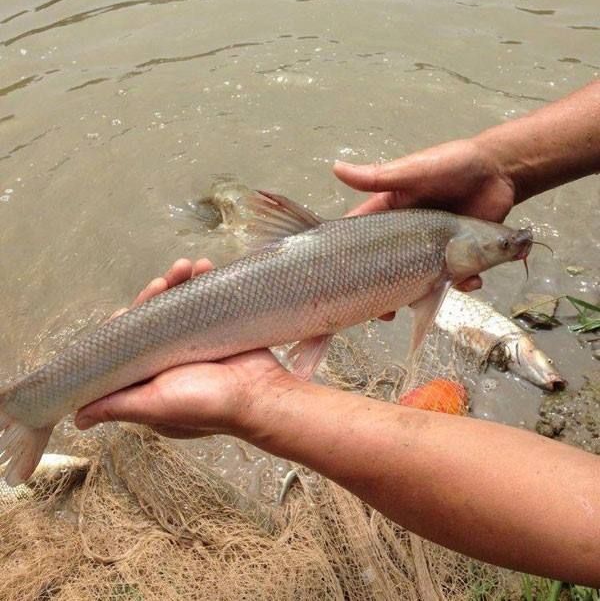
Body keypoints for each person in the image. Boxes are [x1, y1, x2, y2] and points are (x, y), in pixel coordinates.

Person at [76, 80, 600, 585]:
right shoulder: (438, 265)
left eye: (505, 247)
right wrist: (500, 170)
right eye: (502, 247)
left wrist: (263, 399)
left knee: (138, 345)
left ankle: (60, 388)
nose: (509, 250)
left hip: (306, 276)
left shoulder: (444, 253)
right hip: (311, 265)